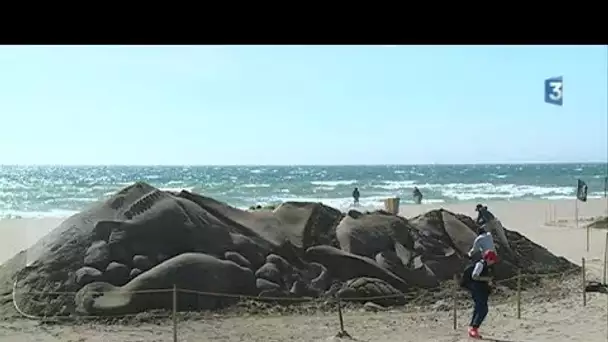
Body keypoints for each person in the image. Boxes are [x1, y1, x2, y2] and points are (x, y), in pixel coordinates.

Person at [464, 249, 498, 339]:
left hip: (482, 290)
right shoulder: (480, 264)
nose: (493, 262)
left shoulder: (486, 266)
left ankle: (472, 327)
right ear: (488, 259)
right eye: (492, 260)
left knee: (478, 308)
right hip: (477, 290)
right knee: (483, 309)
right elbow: (474, 276)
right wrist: (486, 279)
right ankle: (474, 329)